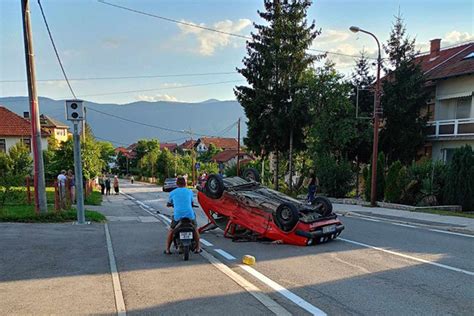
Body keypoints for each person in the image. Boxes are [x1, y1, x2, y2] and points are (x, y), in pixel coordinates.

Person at [164, 176, 201, 254]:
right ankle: (198, 248)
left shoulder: (172, 192)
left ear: (177, 183)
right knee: (195, 228)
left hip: (178, 215)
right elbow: (191, 202)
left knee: (171, 230)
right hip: (189, 214)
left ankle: (167, 249)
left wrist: (169, 204)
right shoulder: (189, 191)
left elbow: (169, 203)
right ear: (185, 183)